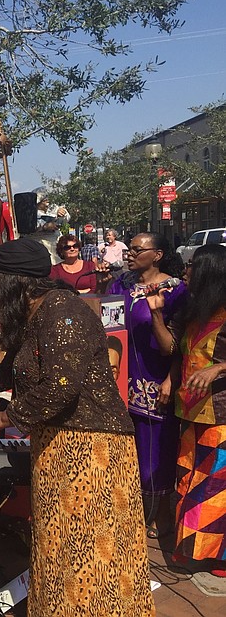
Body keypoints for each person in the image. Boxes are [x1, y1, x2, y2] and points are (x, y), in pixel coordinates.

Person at [0, 238, 154, 616]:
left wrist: (4, 417)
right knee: (58, 548)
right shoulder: (36, 314)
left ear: (16, 281)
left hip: (92, 451)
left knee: (86, 553)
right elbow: (11, 371)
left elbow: (60, 386)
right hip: (60, 444)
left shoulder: (63, 311)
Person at [108, 231, 187, 539]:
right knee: (126, 447)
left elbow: (183, 342)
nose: (129, 254)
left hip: (157, 379)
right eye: (128, 249)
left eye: (136, 249)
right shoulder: (121, 285)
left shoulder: (177, 290)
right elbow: (108, 325)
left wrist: (172, 377)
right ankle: (128, 509)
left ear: (156, 255)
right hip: (121, 379)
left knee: (157, 448)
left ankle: (158, 512)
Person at [158, 244, 226, 577]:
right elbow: (177, 351)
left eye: (192, 266)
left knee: (216, 486)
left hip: (220, 416)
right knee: (188, 478)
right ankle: (193, 549)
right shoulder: (195, 308)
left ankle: (219, 557)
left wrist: (217, 369)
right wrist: (171, 380)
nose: (186, 271)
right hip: (190, 410)